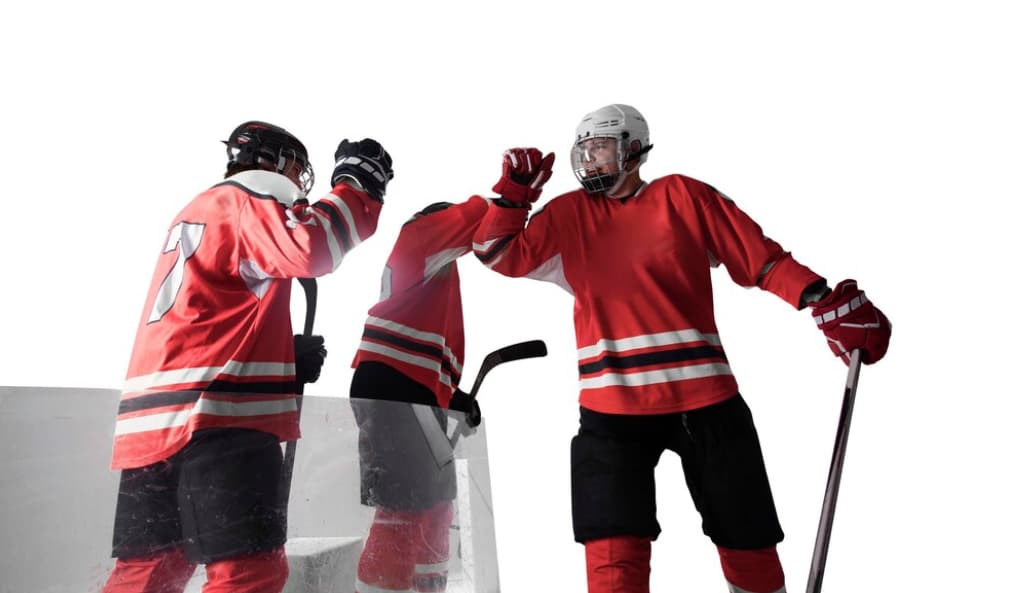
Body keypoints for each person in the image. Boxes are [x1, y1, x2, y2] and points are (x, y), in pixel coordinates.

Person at [471, 104, 891, 593]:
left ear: (633, 148)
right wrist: (512, 197)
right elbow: (497, 254)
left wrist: (820, 300)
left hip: (707, 404)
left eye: (600, 147)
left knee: (748, 544)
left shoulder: (684, 196)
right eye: (583, 150)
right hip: (612, 413)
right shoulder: (568, 214)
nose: (589, 159)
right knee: (612, 564)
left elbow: (761, 258)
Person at [100, 121, 394, 593]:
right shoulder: (249, 197)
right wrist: (356, 186)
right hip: (217, 424)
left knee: (148, 574)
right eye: (297, 168)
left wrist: (280, 360)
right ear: (272, 162)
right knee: (249, 574)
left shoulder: (196, 210)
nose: (299, 183)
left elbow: (210, 313)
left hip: (150, 429)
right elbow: (310, 248)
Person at [348, 196, 490, 593]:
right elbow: (473, 217)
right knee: (403, 508)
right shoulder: (421, 233)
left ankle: (426, 588)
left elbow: (418, 351)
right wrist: (511, 199)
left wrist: (451, 396)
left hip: (409, 388)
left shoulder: (434, 265)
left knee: (436, 504)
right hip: (393, 389)